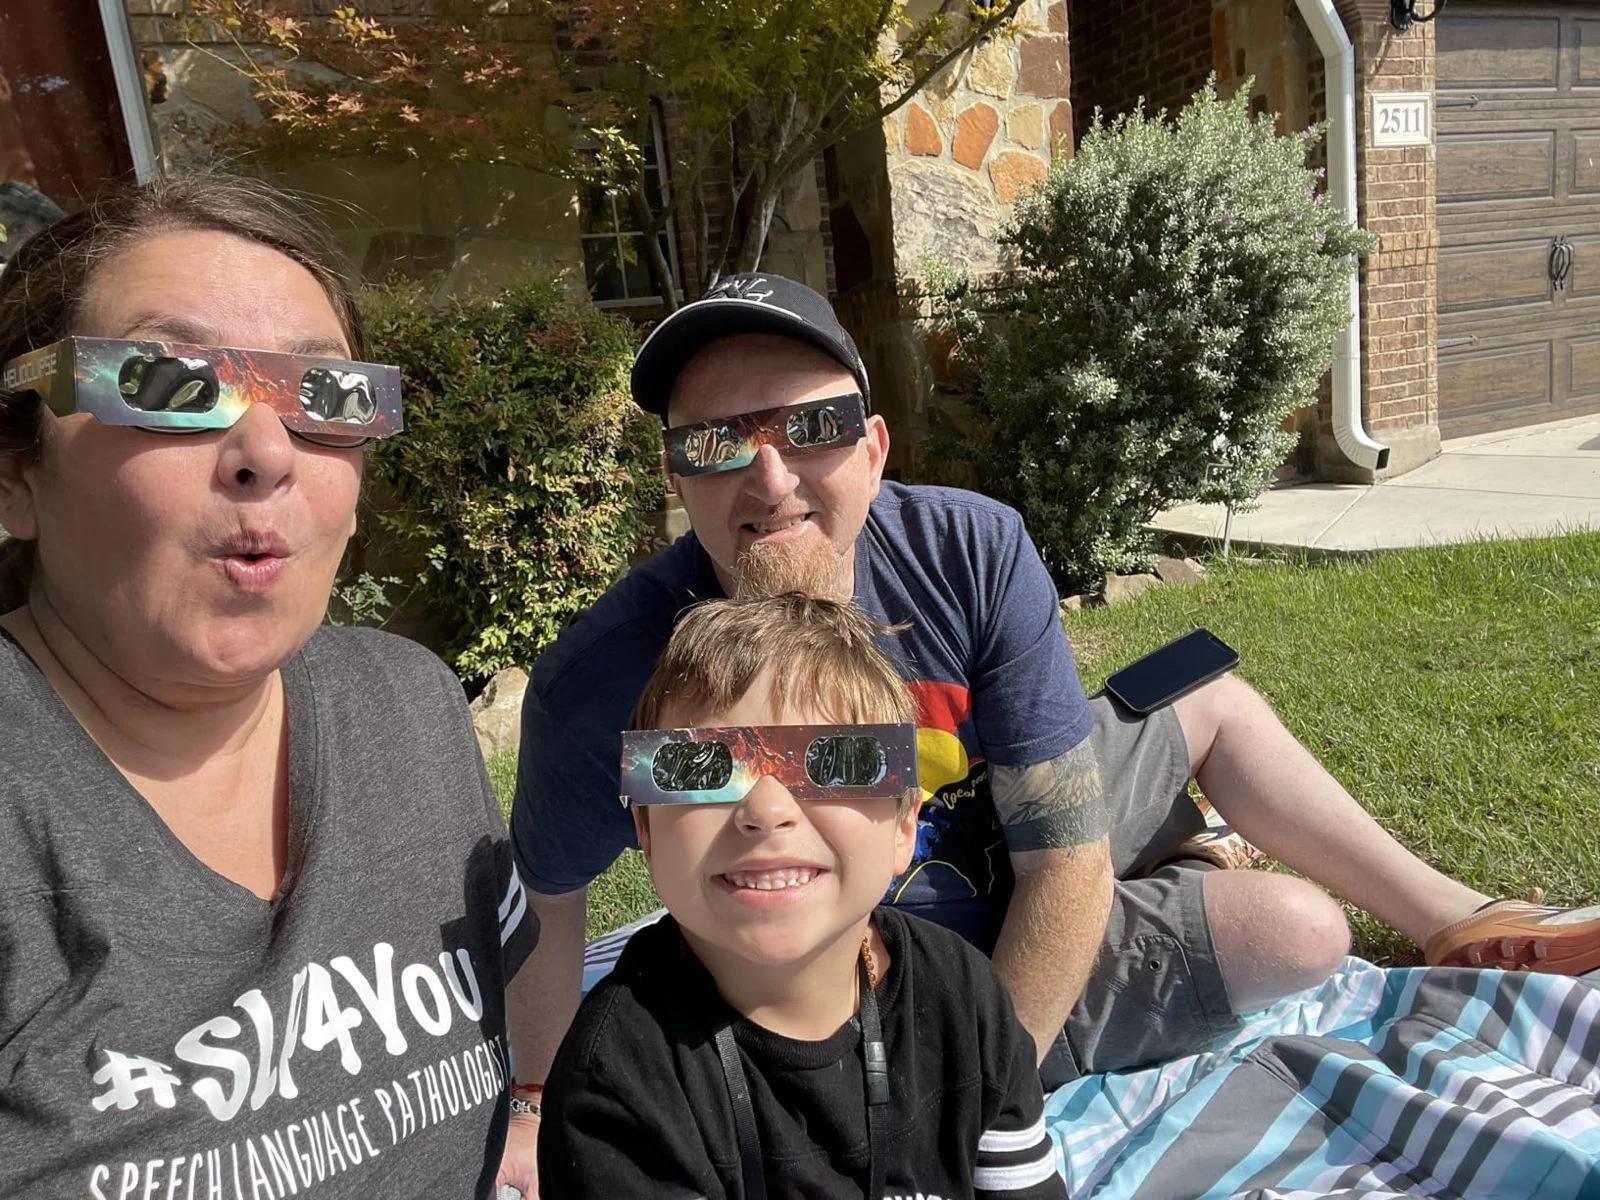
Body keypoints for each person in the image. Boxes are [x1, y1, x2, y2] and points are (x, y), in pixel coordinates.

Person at [508, 272, 1600, 1188]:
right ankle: (1194, 847)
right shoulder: (602, 680)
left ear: (876, 444)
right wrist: (534, 1098)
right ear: (674, 472)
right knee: (1298, 931)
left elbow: (1063, 851)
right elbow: (550, 902)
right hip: (899, 941)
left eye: (815, 427)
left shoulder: (969, 549)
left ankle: (1455, 917)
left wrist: (982, 1094)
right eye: (713, 443)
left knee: (1210, 704)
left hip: (994, 847)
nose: (770, 476)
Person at [0, 173, 540, 1198]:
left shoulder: (407, 708)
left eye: (323, 396)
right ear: (15, 472)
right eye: (165, 384)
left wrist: (519, 1120)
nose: (264, 452)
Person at [539, 594, 1064, 1199]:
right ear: (646, 832)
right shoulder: (616, 1084)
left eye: (838, 761)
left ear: (904, 827)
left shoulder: (965, 997)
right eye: (701, 766)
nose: (766, 809)